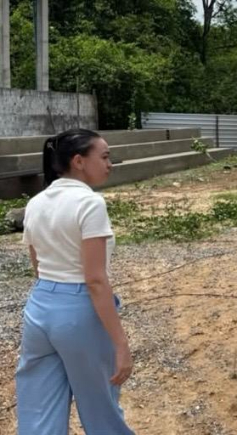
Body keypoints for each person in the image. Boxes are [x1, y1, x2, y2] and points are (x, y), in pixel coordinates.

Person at [16, 129, 134, 434]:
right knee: (101, 410)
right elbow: (95, 279)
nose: (110, 164)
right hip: (78, 311)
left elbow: (37, 265)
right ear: (79, 161)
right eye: (105, 157)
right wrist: (121, 343)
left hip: (40, 308)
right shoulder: (90, 203)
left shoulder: (36, 203)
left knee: (40, 411)